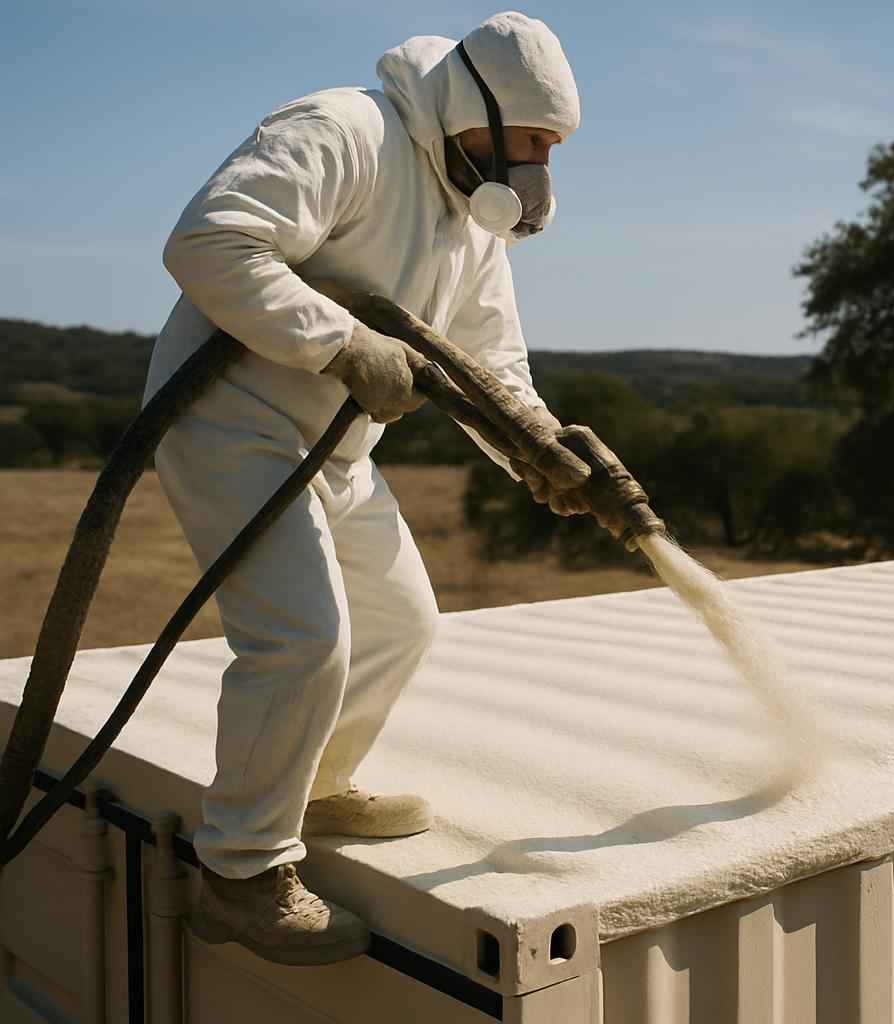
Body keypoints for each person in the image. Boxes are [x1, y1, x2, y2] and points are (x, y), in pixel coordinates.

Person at [143, 12, 586, 966]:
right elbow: (210, 241)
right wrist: (339, 340)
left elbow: (488, 366)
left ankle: (313, 785)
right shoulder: (346, 129)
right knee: (304, 636)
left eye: (554, 149)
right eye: (534, 143)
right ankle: (241, 871)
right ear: (475, 104)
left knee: (402, 624)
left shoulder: (472, 215)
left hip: (336, 446)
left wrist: (538, 449)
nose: (541, 167)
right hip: (231, 420)